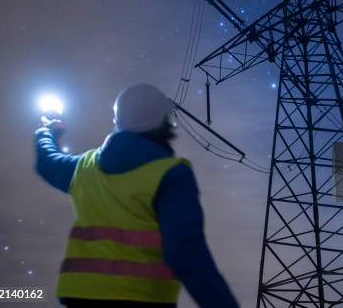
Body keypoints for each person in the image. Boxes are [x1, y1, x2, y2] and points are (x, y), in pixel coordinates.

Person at [34, 83, 239, 307]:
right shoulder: (171, 174)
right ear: (165, 123)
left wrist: (47, 132)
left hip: (81, 298)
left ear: (117, 121)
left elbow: (47, 162)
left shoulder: (84, 167)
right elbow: (186, 253)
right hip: (142, 300)